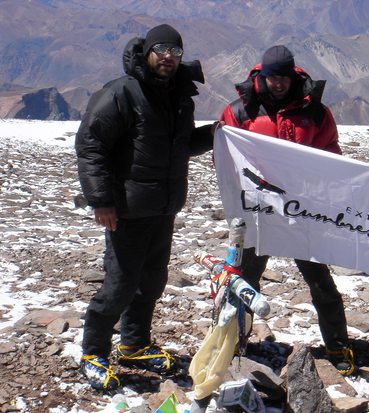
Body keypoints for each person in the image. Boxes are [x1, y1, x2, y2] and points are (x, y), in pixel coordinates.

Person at [75, 24, 215, 391]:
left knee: (151, 281)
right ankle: (93, 351)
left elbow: (181, 145)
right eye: (162, 49)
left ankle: (134, 344)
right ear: (148, 52)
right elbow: (91, 144)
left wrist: (215, 135)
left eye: (176, 51)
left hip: (162, 208)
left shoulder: (179, 96)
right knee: (119, 285)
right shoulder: (123, 92)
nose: (169, 56)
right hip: (127, 209)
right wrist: (101, 200)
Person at [219, 45, 354, 376]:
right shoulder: (240, 111)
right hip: (258, 213)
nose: (278, 83)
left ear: (293, 74)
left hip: (300, 213)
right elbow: (224, 157)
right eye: (271, 77)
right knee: (246, 280)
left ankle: (338, 345)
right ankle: (233, 343)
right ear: (262, 75)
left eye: (283, 77)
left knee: (320, 280)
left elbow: (330, 152)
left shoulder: (315, 112)